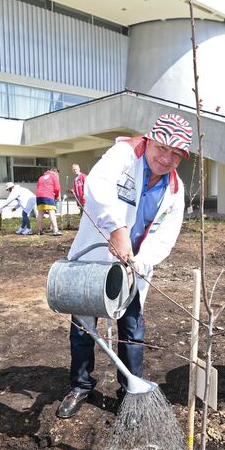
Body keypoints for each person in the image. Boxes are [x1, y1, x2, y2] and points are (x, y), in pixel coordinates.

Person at [56, 113, 193, 419]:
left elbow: (165, 236)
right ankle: (80, 385)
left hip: (133, 270)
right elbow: (98, 186)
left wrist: (141, 263)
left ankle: (128, 391)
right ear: (149, 140)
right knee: (83, 327)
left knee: (131, 330)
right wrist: (117, 229)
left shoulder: (175, 190)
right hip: (93, 262)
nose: (166, 158)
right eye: (162, 148)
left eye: (175, 155)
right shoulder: (124, 155)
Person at [36, 167, 62, 236]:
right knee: (51, 211)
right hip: (48, 195)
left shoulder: (41, 177)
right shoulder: (54, 176)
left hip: (39, 196)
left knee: (40, 213)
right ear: (56, 172)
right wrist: (56, 197)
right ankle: (56, 230)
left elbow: (38, 186)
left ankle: (39, 230)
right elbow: (57, 188)